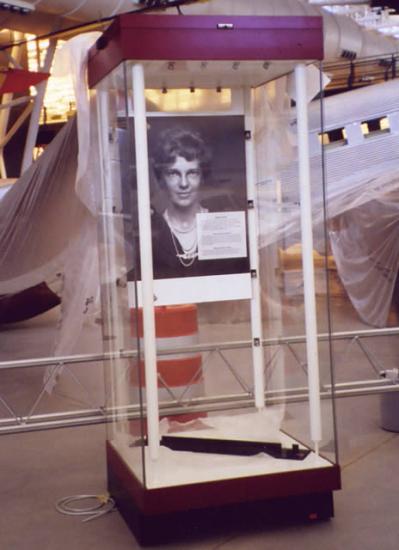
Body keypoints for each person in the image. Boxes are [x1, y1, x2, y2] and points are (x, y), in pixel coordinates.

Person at [150, 126, 249, 279]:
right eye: (173, 173)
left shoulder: (223, 229)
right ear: (162, 178)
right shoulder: (152, 234)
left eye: (192, 173)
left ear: (202, 176)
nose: (184, 183)